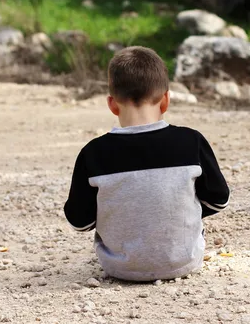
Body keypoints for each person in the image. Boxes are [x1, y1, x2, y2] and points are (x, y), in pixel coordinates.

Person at [63, 46, 229, 282]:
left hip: (118, 268)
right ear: (165, 101)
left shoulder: (93, 153)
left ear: (112, 104)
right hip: (185, 261)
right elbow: (219, 200)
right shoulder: (191, 142)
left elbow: (80, 222)